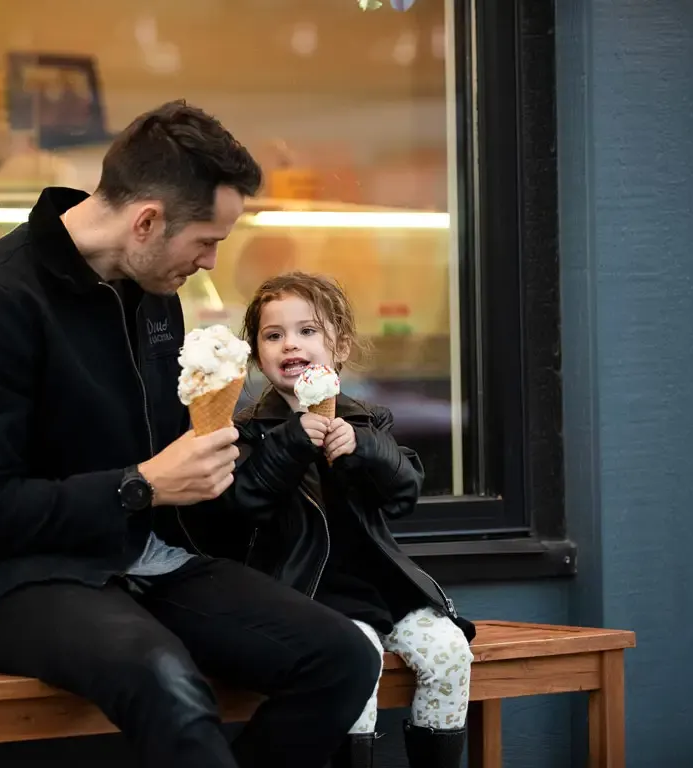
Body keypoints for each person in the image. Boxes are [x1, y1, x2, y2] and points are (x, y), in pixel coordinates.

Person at [0, 102, 382, 768]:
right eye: (206, 240)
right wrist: (140, 485)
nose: (210, 262)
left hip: (142, 560)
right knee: (164, 676)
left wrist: (256, 458)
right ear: (147, 220)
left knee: (343, 657)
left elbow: (174, 475)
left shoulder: (154, 295)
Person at [183, 272, 477, 768]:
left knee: (449, 651)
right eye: (273, 335)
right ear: (256, 355)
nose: (290, 344)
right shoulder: (250, 431)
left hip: (380, 588)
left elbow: (405, 493)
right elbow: (244, 503)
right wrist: (293, 440)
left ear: (339, 345)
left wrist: (368, 450)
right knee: (354, 663)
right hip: (306, 593)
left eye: (307, 331)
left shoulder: (367, 420)